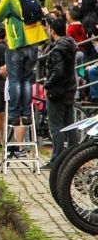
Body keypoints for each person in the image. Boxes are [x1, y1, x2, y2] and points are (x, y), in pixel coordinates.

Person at [0, 0, 47, 127]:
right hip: (33, 42)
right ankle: (27, 115)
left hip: (17, 43)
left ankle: (15, 115)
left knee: (15, 80)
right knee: (27, 80)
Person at [43, 18, 78, 168]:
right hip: (70, 87)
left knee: (55, 126)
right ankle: (74, 155)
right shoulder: (70, 44)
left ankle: (57, 159)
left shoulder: (57, 49)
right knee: (69, 124)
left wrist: (47, 85)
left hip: (58, 90)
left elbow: (58, 71)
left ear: (52, 31)